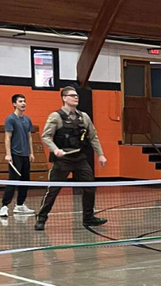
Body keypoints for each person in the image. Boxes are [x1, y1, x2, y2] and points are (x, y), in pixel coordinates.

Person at [35, 86, 108, 232]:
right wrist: (55, 149)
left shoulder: (84, 117)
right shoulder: (56, 116)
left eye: (77, 96)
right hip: (63, 160)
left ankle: (88, 217)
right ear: (64, 98)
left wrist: (100, 154)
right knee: (53, 190)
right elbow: (46, 136)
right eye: (72, 95)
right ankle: (41, 218)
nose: (76, 97)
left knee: (89, 187)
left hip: (79, 158)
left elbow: (93, 137)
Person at [0, 93, 36, 217]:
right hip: (15, 155)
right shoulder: (10, 119)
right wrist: (8, 154)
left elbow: (29, 137)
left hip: (26, 155)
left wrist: (31, 152)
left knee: (25, 181)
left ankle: (20, 205)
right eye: (20, 101)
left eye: (24, 101)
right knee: (13, 180)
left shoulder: (27, 119)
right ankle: (4, 206)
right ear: (14, 104)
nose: (23, 103)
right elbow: (7, 137)